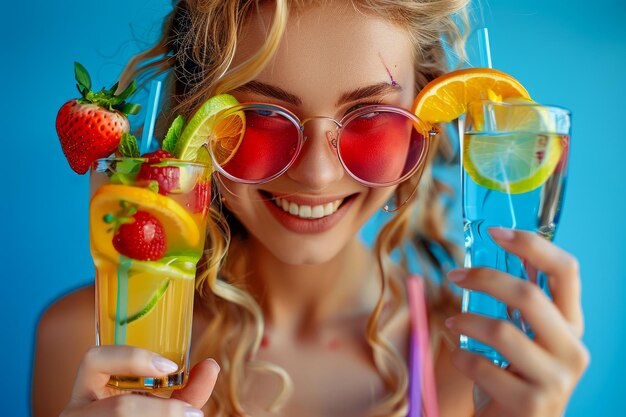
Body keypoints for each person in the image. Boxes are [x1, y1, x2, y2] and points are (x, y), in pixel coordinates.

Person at [32, 1, 589, 416]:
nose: (317, 175)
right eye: (264, 116)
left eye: (370, 116)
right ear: (199, 121)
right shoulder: (85, 341)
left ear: (426, 122)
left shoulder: (475, 359)